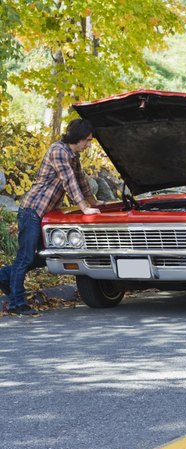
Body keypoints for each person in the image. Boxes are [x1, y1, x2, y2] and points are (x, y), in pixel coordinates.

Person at [0, 118, 104, 316]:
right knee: (25, 257)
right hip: (31, 211)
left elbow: (81, 181)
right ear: (79, 138)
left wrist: (94, 203)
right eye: (88, 140)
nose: (89, 145)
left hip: (44, 214)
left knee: (40, 258)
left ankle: (4, 277)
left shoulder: (73, 156)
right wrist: (83, 208)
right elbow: (69, 181)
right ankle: (16, 303)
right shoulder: (58, 151)